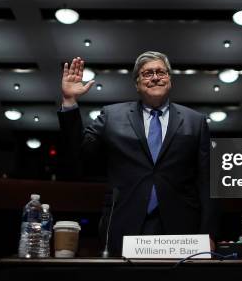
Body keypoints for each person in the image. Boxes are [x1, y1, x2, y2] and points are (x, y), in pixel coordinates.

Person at [58, 52, 218, 254]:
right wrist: (70, 102)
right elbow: (78, 152)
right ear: (137, 84)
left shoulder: (196, 121)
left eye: (161, 72)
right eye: (147, 73)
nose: (155, 77)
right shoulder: (111, 116)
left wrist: (209, 234)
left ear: (170, 79)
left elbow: (208, 182)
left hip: (182, 228)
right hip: (124, 224)